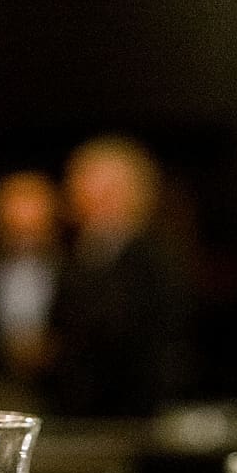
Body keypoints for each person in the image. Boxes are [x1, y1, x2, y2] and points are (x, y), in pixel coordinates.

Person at [46, 136, 192, 419]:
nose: (72, 189)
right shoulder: (79, 255)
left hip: (133, 412)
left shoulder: (153, 259)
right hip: (79, 411)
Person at [0, 171, 61, 406]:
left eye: (33, 229)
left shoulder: (80, 278)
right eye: (15, 229)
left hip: (63, 401)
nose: (24, 238)